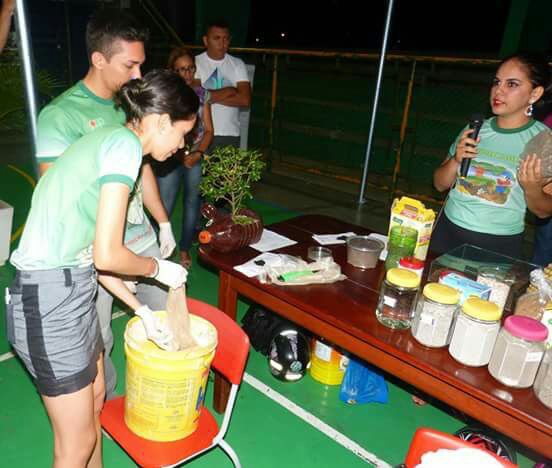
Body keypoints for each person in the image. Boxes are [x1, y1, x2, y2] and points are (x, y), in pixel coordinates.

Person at [6, 69, 198, 468]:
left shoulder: (110, 141)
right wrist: (157, 269)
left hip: (71, 286)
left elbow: (95, 254)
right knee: (75, 445)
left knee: (95, 403)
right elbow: (109, 255)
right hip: (47, 297)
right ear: (161, 121)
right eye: (182, 134)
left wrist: (142, 309)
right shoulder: (123, 147)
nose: (182, 147)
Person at [35, 10, 176, 400]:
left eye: (142, 64)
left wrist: (162, 222)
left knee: (169, 312)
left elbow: (143, 165)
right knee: (98, 345)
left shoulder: (129, 104)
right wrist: (114, 258)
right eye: (129, 65)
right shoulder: (60, 115)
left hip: (139, 237)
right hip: (91, 247)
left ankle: (163, 392)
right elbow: (57, 198)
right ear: (98, 59)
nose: (137, 75)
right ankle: (108, 407)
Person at [431, 53, 552, 259]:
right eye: (497, 82)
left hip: (497, 244)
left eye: (512, 84)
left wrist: (532, 189)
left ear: (534, 94)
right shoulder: (475, 128)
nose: (499, 90)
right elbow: (439, 184)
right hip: (447, 232)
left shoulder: (544, 140)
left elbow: (544, 211)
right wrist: (455, 161)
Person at [154, 47, 215, 269]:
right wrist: (181, 156)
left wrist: (197, 153)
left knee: (193, 204)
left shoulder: (203, 95)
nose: (187, 74)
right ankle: (156, 250)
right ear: (173, 71)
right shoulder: (165, 97)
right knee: (164, 204)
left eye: (190, 69)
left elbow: (209, 130)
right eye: (181, 70)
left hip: (195, 157)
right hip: (170, 158)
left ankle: (184, 249)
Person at [193, 19, 251, 150]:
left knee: (226, 171)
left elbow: (245, 100)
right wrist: (230, 90)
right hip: (200, 134)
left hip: (229, 134)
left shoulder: (238, 64)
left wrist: (208, 96)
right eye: (217, 38)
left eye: (226, 39)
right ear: (206, 40)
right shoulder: (195, 62)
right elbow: (197, 96)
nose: (222, 43)